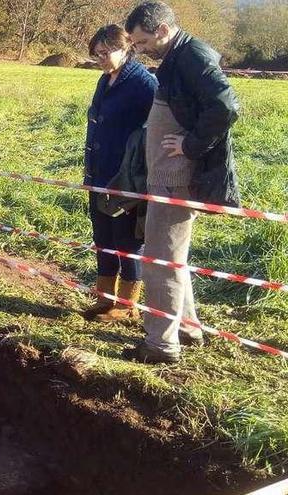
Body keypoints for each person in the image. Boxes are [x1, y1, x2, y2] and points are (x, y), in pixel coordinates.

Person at [123, 1, 240, 363]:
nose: (138, 51)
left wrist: (189, 145)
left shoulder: (192, 57)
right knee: (172, 258)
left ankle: (161, 345)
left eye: (141, 42)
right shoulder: (177, 57)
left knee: (160, 262)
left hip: (177, 181)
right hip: (166, 179)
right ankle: (187, 328)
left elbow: (226, 106)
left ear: (161, 29)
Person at [82, 24, 157, 322]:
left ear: (126, 48)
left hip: (127, 177)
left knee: (126, 241)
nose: (100, 59)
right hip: (100, 174)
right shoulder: (105, 80)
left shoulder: (143, 84)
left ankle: (127, 306)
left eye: (105, 52)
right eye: (95, 54)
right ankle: (104, 297)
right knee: (103, 237)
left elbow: (159, 124)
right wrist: (89, 176)